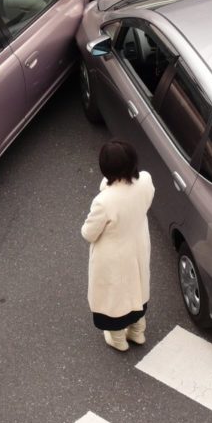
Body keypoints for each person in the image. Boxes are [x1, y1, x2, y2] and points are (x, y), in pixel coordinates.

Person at [81, 140, 155, 351]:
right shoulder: (146, 181)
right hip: (138, 245)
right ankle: (137, 332)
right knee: (137, 288)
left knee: (114, 297)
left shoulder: (104, 201)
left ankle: (118, 340)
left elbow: (88, 233)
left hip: (113, 256)